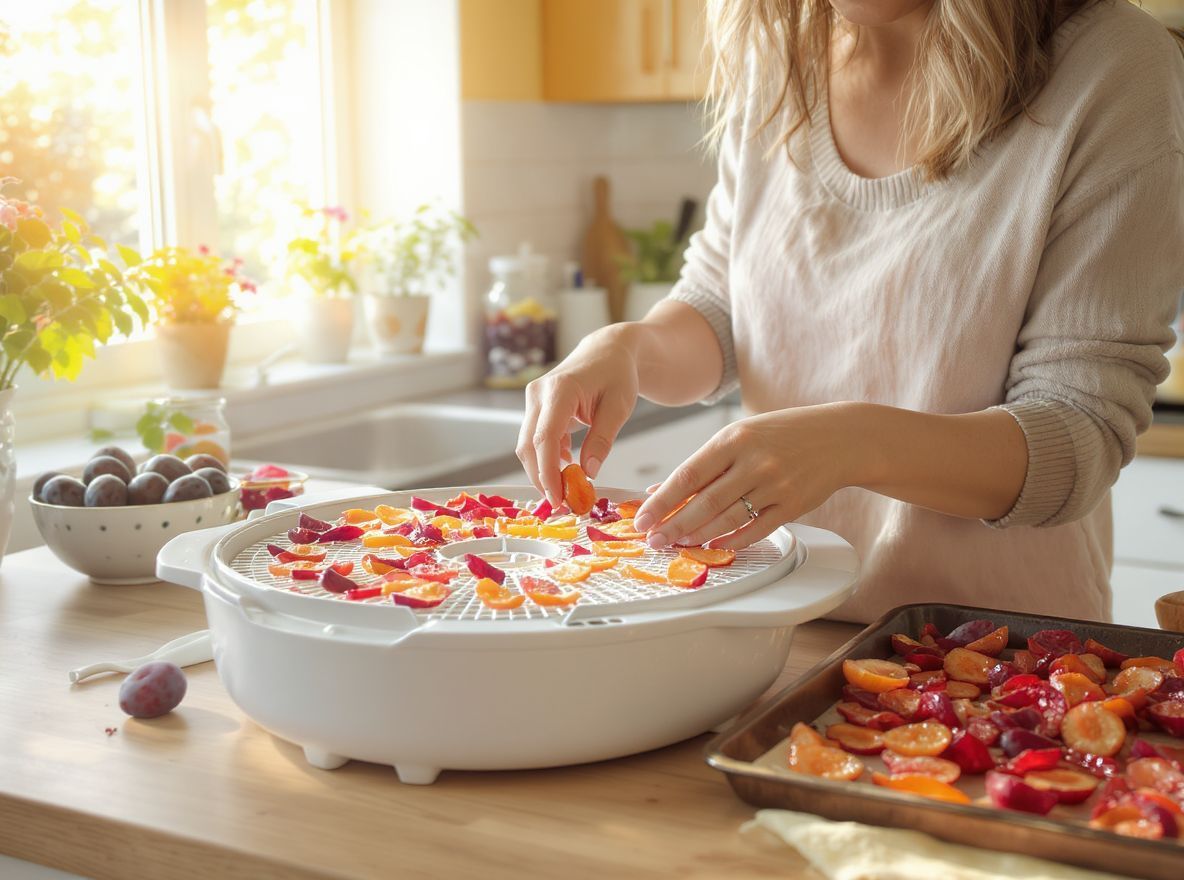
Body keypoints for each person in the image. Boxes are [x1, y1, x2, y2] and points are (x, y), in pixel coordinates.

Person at [517, 0, 1184, 623]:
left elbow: (1077, 438)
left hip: (986, 658)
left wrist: (853, 445)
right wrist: (628, 348)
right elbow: (723, 307)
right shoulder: (779, 58)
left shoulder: (1111, 67)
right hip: (777, 627)